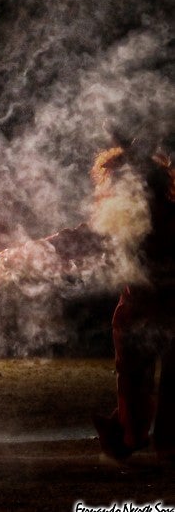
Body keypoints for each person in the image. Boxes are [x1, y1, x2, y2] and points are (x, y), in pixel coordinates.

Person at [91, 135, 175, 464]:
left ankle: (133, 436)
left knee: (145, 381)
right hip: (141, 307)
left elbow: (88, 238)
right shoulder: (128, 212)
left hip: (155, 306)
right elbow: (89, 237)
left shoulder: (142, 210)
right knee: (138, 381)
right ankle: (134, 435)